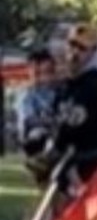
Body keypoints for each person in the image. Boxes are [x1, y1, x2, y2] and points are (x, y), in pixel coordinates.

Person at [47, 23, 97, 195]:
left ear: (93, 52)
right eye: (72, 44)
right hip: (61, 166)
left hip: (83, 166)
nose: (75, 52)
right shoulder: (66, 84)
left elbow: (76, 124)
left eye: (82, 48)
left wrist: (57, 142)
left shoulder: (93, 84)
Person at [16, 48, 60, 181]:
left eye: (47, 72)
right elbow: (28, 121)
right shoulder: (27, 95)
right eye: (36, 72)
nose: (42, 77)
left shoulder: (59, 91)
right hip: (36, 143)